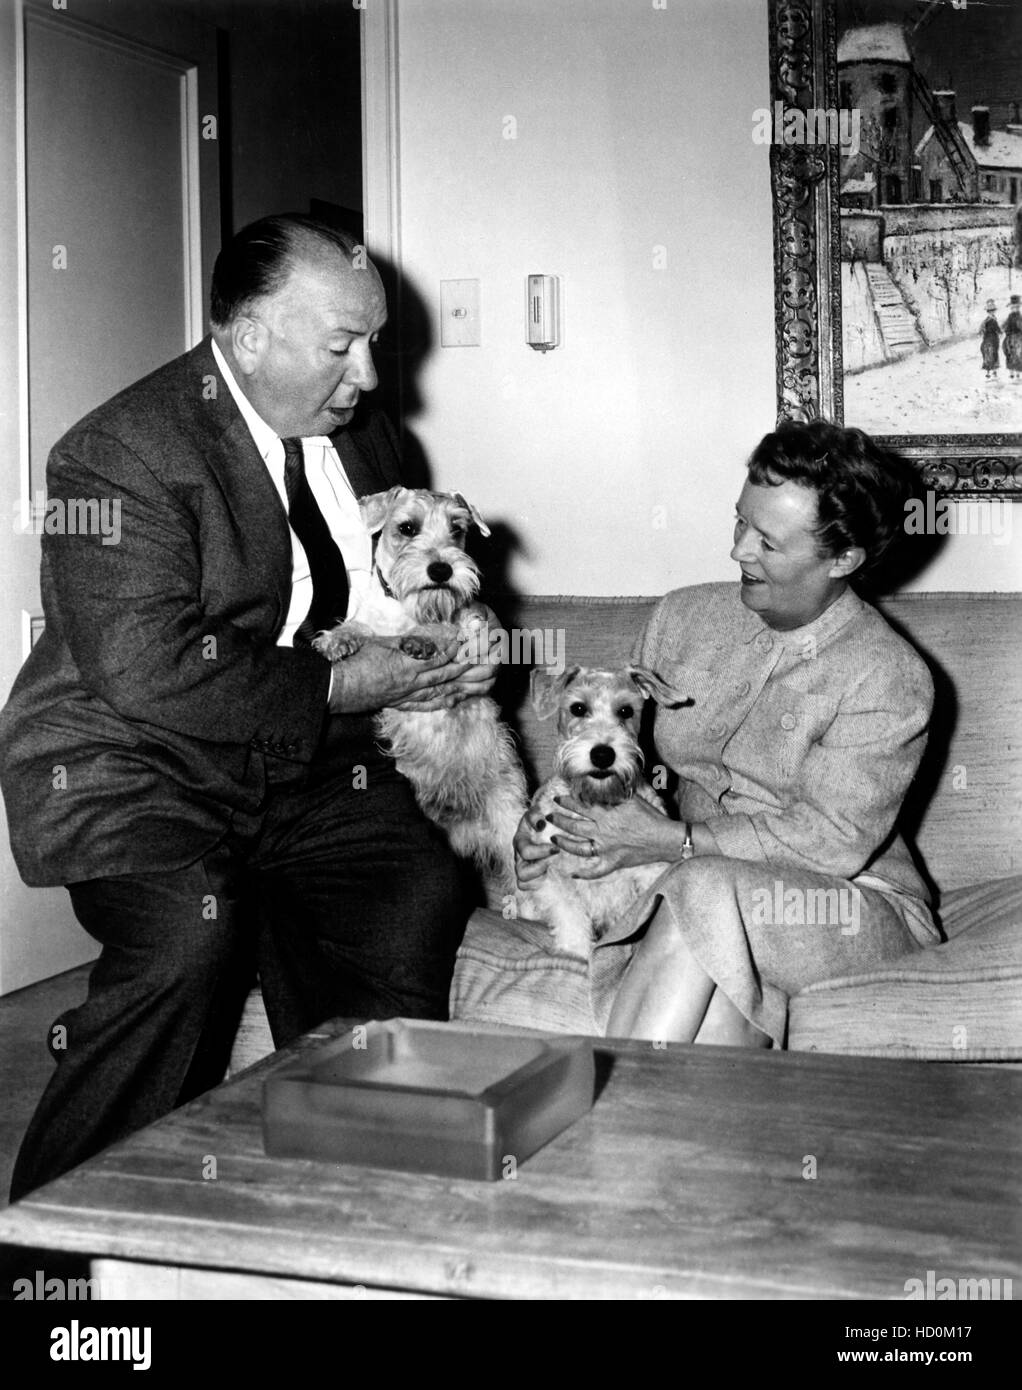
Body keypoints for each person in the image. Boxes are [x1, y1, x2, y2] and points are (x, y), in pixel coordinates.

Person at [0, 215, 495, 1200]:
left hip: (304, 760)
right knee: (189, 934)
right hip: (135, 762)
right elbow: (149, 668)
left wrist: (465, 638)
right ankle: (57, 1240)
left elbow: (400, 588)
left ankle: (350, 1200)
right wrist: (356, 681)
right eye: (341, 345)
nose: (366, 373)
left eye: (373, 342)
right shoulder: (119, 452)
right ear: (252, 335)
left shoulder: (362, 435)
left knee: (415, 888)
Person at [515, 421, 939, 1047]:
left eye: (767, 541)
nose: (740, 550)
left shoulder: (889, 676)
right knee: (714, 1015)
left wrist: (671, 842)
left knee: (700, 886)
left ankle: (611, 1109)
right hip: (707, 900)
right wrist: (557, 828)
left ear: (842, 560)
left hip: (847, 904)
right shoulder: (682, 616)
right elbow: (631, 760)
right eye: (740, 521)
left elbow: (829, 843)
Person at [1003, 295, 1022, 381]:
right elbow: (1005, 325)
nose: (1015, 309)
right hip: (1010, 336)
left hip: (1018, 336)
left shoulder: (1019, 317)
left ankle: (1018, 373)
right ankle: (1011, 373)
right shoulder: (1010, 316)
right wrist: (1004, 328)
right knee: (1008, 352)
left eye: (1017, 307)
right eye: (1013, 307)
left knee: (1018, 354)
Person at [980, 299, 1000, 378]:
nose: (991, 312)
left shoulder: (994, 319)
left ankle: (994, 371)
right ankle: (988, 371)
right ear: (987, 311)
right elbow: (982, 329)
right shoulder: (987, 320)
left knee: (994, 353)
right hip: (989, 337)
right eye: (990, 311)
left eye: (993, 310)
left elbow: (997, 328)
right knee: (987, 353)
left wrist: (1000, 332)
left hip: (993, 338)